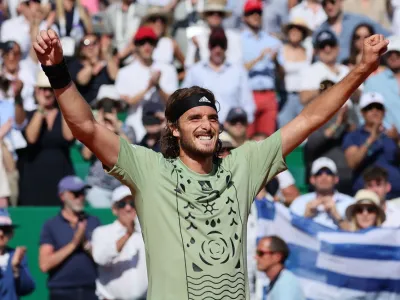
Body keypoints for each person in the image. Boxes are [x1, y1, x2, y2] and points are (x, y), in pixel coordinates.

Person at [33, 27, 388, 299]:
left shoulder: (243, 165)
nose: (206, 125)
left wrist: (360, 71)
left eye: (212, 117)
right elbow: (85, 127)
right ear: (174, 128)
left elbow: (309, 119)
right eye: (194, 118)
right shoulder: (149, 169)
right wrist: (57, 72)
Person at [39, 175, 100, 300]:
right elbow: (44, 264)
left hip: (91, 289)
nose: (80, 197)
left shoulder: (94, 222)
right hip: (62, 291)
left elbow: (103, 257)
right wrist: (74, 243)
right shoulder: (51, 225)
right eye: (75, 194)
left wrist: (85, 244)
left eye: (82, 193)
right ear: (62, 196)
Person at [92, 185, 147, 300]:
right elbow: (100, 258)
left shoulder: (147, 233)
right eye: (122, 204)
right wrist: (127, 234)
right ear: (114, 209)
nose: (128, 208)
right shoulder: (102, 232)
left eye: (132, 204)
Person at [343, 92, 400, 198]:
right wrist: (371, 139)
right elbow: (352, 163)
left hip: (396, 195)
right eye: (369, 108)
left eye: (378, 107)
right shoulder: (353, 136)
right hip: (366, 197)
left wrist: (397, 140)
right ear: (362, 113)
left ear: (384, 111)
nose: (374, 111)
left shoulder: (393, 134)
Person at [290, 157, 354, 229]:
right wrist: (306, 216)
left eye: (329, 173)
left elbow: (357, 234)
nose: (324, 177)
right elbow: (291, 232)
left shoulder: (350, 203)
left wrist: (337, 216)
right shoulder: (299, 202)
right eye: (319, 173)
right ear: (312, 179)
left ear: (336, 179)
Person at [0, 209, 35, 300]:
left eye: (5, 229)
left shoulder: (16, 256)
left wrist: (16, 268)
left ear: (11, 234)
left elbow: (27, 289)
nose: (1, 233)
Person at [255, 236, 305, 300]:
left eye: (261, 253)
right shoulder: (280, 281)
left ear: (277, 257)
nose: (256, 257)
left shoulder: (286, 284)